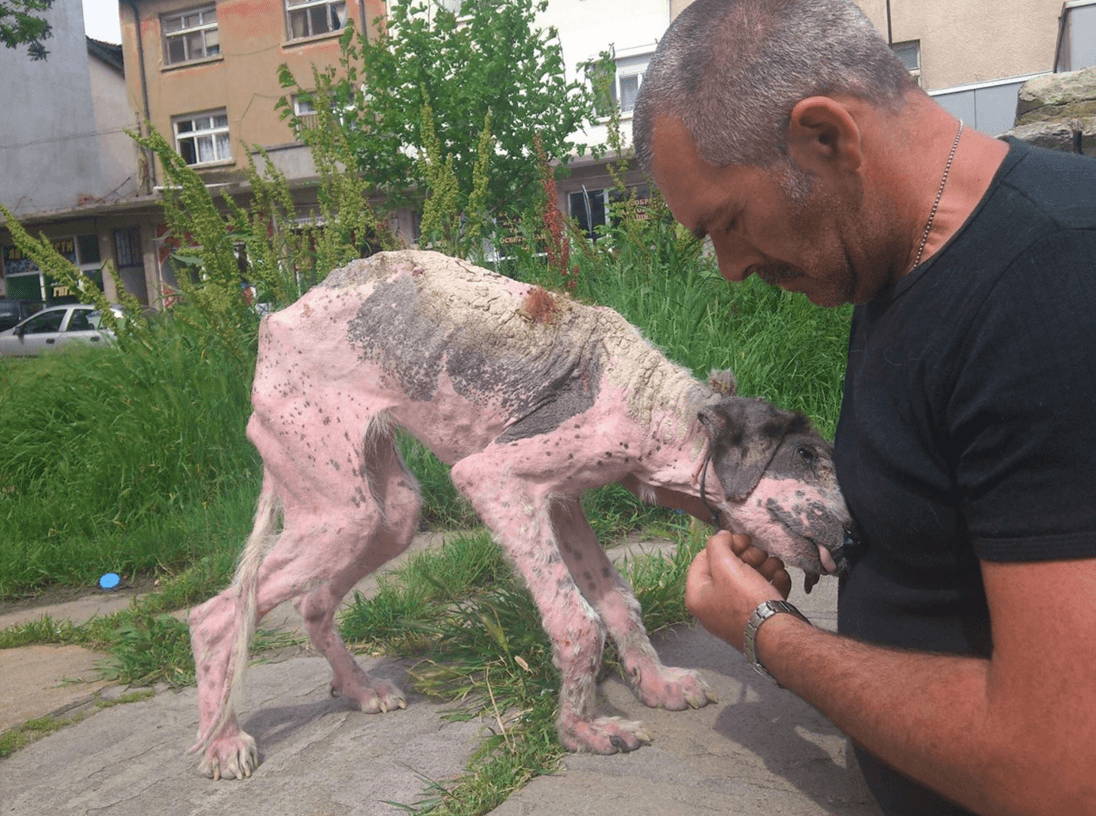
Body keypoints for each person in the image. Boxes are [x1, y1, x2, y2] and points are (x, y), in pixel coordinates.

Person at [631, 1, 1096, 814]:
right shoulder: (897, 260)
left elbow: (1058, 770)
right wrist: (803, 537)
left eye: (728, 223)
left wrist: (767, 632)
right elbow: (957, 498)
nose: (731, 268)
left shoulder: (1051, 288)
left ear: (826, 137)